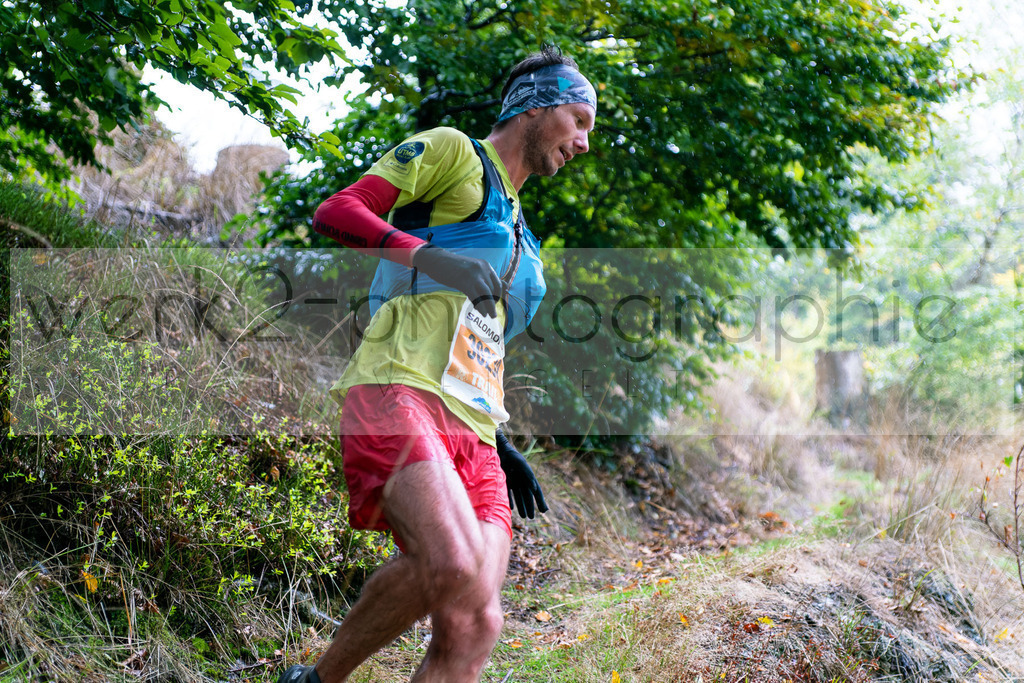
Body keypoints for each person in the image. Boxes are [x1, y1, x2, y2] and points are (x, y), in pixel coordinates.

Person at [280, 46, 597, 683]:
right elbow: (337, 211)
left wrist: (498, 437)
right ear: (536, 105)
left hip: (474, 431)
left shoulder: (523, 231)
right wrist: (428, 258)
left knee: (476, 621)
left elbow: (477, 338)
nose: (585, 143)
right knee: (448, 563)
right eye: (580, 119)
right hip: (398, 390)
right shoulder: (455, 153)